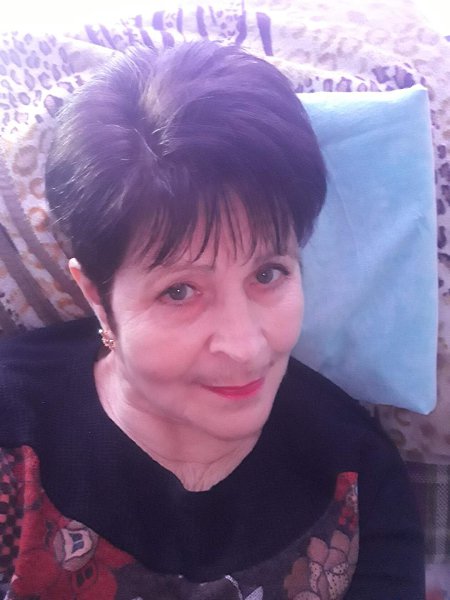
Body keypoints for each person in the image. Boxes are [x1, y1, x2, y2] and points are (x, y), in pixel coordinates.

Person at [0, 41, 424, 599]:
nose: (246, 347)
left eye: (268, 273)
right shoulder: (12, 425)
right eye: (179, 291)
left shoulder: (358, 476)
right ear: (97, 296)